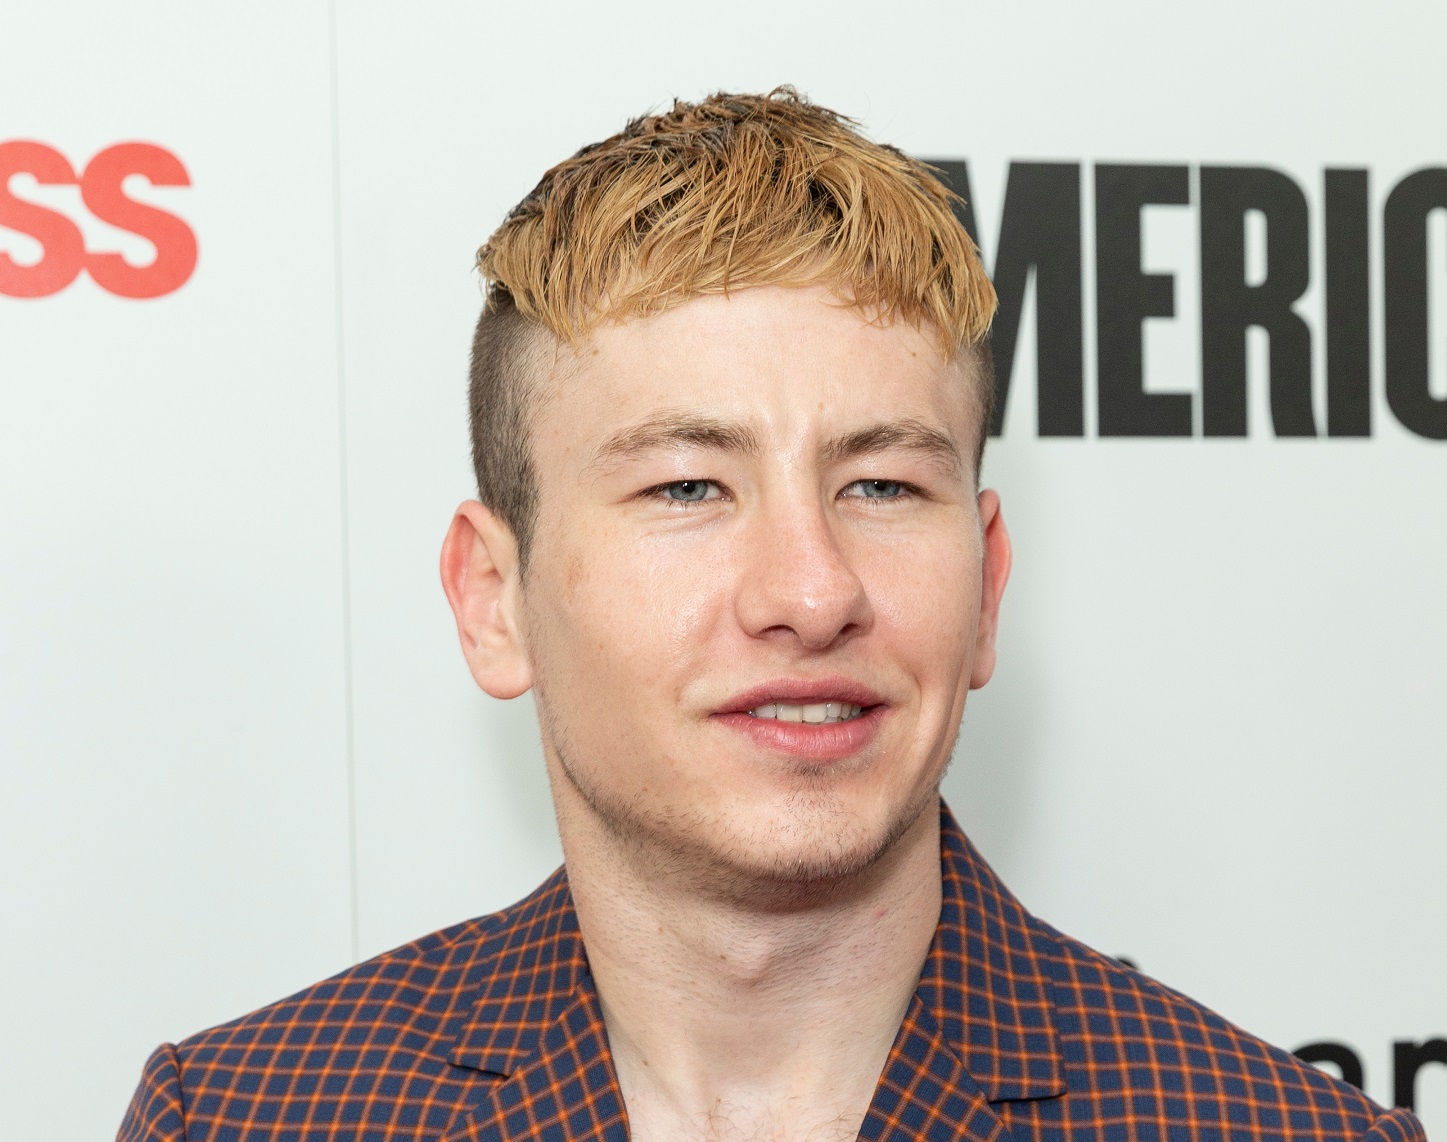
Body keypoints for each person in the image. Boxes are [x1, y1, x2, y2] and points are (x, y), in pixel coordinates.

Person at [118, 88, 1426, 1142]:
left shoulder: (1273, 1127)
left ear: (986, 584)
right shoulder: (242, 1115)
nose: (811, 590)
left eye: (881, 482)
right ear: (492, 599)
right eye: (689, 484)